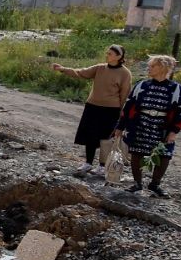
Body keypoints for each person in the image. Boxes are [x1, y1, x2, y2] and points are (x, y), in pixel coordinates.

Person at [114, 54, 181, 198]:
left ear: (162, 68)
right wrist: (120, 127)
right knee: (136, 153)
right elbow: (128, 107)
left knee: (164, 155)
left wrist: (174, 131)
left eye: (152, 66)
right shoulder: (142, 85)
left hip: (162, 128)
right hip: (140, 125)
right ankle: (137, 183)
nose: (149, 68)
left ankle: (155, 184)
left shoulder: (177, 89)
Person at [51, 45, 132, 176]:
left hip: (111, 110)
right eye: (107, 53)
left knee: (106, 138)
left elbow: (125, 93)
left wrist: (122, 112)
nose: (108, 55)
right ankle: (88, 163)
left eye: (110, 53)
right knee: (90, 135)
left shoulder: (125, 73)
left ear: (119, 56)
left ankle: (101, 166)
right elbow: (81, 72)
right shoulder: (100, 68)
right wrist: (63, 69)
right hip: (93, 106)